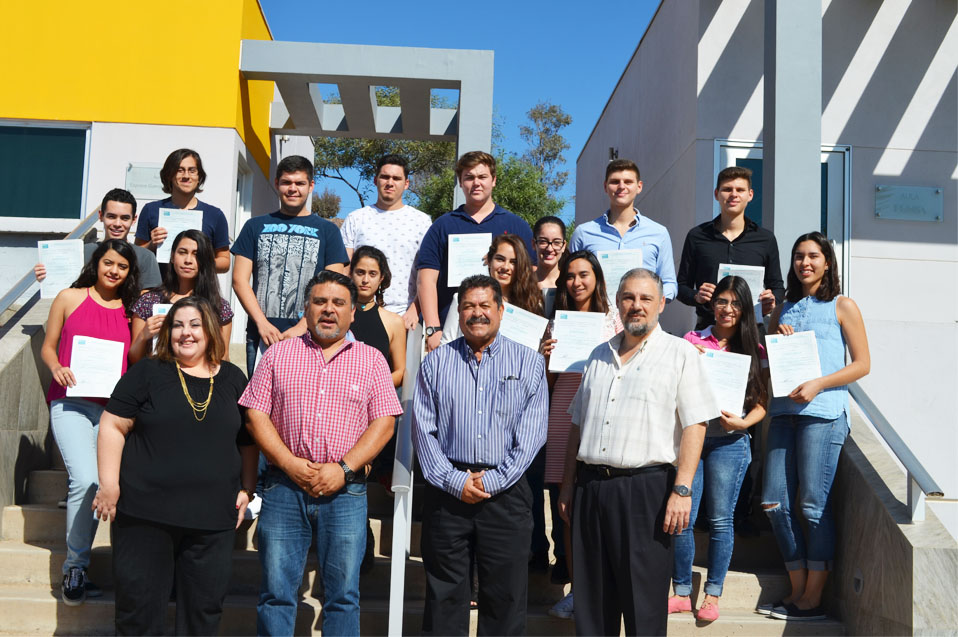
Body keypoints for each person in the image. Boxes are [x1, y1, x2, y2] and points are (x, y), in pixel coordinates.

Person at [240, 270, 403, 636]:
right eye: (320, 301)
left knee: (344, 595)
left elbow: (384, 424)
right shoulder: (278, 354)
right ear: (307, 308)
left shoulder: (372, 360)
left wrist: (343, 469)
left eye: (338, 303)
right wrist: (289, 463)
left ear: (352, 313)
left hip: (346, 492)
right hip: (283, 489)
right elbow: (255, 415)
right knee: (276, 594)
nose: (329, 310)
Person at [558, 268, 719, 636]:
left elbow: (696, 424)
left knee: (643, 608)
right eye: (629, 297)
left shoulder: (680, 354)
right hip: (592, 489)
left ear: (661, 304)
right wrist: (568, 485)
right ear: (617, 302)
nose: (637, 305)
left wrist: (682, 489)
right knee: (593, 606)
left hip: (647, 492)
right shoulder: (597, 355)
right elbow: (577, 425)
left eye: (646, 298)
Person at [93, 297, 257, 635]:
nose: (186, 333)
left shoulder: (233, 378)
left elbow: (248, 440)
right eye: (178, 325)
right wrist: (109, 484)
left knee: (203, 615)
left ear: (210, 331)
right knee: (138, 613)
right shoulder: (148, 372)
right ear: (168, 331)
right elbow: (112, 425)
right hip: (144, 516)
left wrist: (247, 488)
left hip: (211, 522)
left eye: (195, 325)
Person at [412, 274, 548, 636]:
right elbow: (424, 431)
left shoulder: (529, 364)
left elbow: (531, 435)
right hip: (447, 493)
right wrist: (455, 481)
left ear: (501, 311)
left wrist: (493, 479)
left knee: (504, 599)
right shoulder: (435, 363)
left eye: (485, 305)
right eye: (468, 306)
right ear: (458, 314)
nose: (477, 313)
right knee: (444, 597)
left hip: (506, 493)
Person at [761, 232, 870, 621]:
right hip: (783, 413)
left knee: (811, 504)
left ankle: (813, 597)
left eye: (813, 256)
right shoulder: (784, 307)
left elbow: (862, 364)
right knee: (774, 501)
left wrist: (820, 383)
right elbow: (771, 364)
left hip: (823, 413)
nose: (804, 263)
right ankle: (796, 589)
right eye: (798, 256)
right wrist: (775, 338)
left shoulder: (843, 305)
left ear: (827, 262)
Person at [39, 239, 139, 606]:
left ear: (130, 272)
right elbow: (48, 346)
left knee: (115, 482)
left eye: (122, 266)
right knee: (87, 479)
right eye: (108, 263)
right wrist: (57, 367)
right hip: (71, 404)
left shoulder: (132, 309)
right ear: (96, 262)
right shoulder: (69, 297)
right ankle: (75, 566)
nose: (114, 271)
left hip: (115, 412)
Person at [668, 275, 769, 623]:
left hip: (731, 441)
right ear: (712, 305)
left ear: (744, 310)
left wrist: (743, 424)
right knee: (683, 519)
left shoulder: (752, 349)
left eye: (735, 304)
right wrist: (690, 357)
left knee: (721, 520)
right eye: (722, 302)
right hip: (693, 440)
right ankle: (681, 592)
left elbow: (760, 404)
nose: (727, 309)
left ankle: (712, 594)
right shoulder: (692, 340)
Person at [540, 250, 622, 618]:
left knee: (602, 504)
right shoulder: (556, 323)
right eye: (570, 276)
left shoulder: (615, 321)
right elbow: (547, 383)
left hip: (604, 416)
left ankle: (604, 590)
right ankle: (575, 590)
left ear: (597, 278)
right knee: (567, 509)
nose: (576, 282)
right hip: (561, 414)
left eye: (583, 274)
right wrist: (545, 358)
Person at [231, 155, 349, 377]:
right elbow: (239, 279)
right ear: (276, 184)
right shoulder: (254, 226)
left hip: (312, 337)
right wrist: (262, 323)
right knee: (259, 406)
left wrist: (303, 326)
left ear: (311, 186)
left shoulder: (328, 231)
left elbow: (334, 287)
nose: (292, 188)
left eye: (300, 183)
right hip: (262, 336)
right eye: (286, 182)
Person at [416, 151, 536, 352]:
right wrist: (433, 329)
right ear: (461, 183)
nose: (476, 183)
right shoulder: (442, 226)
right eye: (469, 177)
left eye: (482, 177)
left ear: (494, 180)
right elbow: (425, 280)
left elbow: (530, 276)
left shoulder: (517, 225)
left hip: (508, 332)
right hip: (452, 333)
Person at [676, 165, 784, 330]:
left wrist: (772, 300)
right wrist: (697, 296)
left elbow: (777, 287)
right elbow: (682, 286)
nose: (733, 194)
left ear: (750, 195)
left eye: (740, 190)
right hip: (708, 329)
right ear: (716, 194)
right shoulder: (697, 236)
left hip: (751, 330)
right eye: (727, 189)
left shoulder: (765, 239)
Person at [340, 154, 433, 327]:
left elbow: (428, 272)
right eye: (385, 177)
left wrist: (415, 308)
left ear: (406, 184)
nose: (390, 182)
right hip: (361, 312)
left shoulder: (422, 222)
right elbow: (345, 268)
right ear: (375, 180)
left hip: (406, 316)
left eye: (396, 178)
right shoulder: (356, 218)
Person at [568, 159, 677, 300]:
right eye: (614, 182)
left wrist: (650, 300)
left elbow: (669, 284)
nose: (621, 186)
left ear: (639, 187)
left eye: (628, 182)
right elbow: (570, 278)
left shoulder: (659, 233)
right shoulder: (584, 233)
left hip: (642, 315)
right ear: (605, 186)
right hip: (599, 317)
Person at [129, 230, 232, 364]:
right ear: (172, 256)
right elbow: (134, 358)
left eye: (196, 254)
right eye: (182, 252)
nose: (188, 260)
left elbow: (222, 358)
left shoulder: (219, 306)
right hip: (157, 379)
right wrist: (143, 335)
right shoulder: (148, 301)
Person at [34, 188, 161, 291]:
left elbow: (148, 302)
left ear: (134, 220)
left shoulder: (145, 257)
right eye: (111, 216)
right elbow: (65, 290)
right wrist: (48, 276)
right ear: (101, 216)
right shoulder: (82, 253)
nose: (117, 223)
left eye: (124, 218)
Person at [134, 149, 231, 273]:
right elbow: (136, 256)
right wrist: (152, 245)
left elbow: (225, 262)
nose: (186, 176)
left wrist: (201, 261)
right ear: (169, 175)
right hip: (160, 288)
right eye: (180, 170)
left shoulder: (215, 215)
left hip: (199, 290)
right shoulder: (151, 210)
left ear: (199, 176)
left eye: (192, 170)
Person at [441, 233, 543, 343]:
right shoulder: (461, 298)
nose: (505, 267)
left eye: (513, 262)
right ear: (489, 261)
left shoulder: (532, 303)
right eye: (500, 259)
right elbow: (446, 343)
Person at [533, 216, 567, 318]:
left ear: (564, 246)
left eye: (556, 242)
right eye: (543, 241)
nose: (550, 248)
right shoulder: (523, 283)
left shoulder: (570, 284)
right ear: (533, 244)